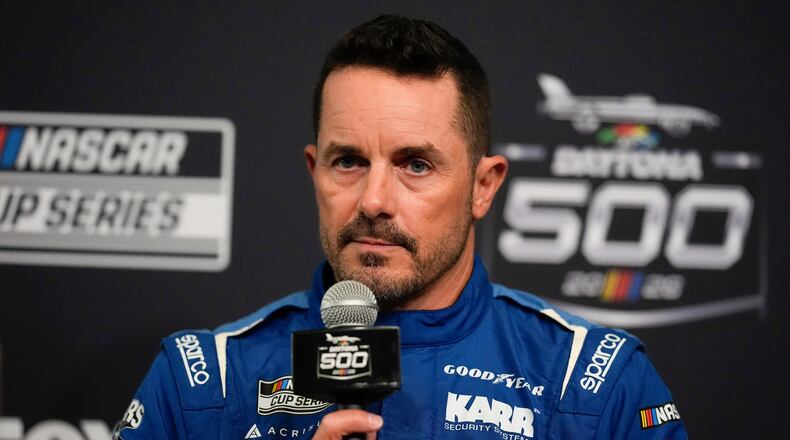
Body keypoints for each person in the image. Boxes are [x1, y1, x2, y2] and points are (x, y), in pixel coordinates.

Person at [114, 15, 687, 440]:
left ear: (483, 186)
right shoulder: (198, 385)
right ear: (316, 172)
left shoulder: (596, 385)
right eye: (349, 162)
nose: (374, 201)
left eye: (416, 164)